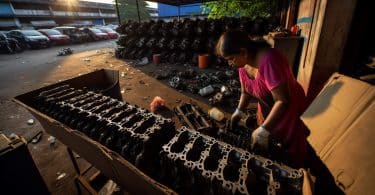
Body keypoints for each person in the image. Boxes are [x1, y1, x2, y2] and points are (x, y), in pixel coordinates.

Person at [216, 30, 309, 168]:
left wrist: (264, 129)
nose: (230, 63)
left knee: (290, 151)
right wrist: (239, 112)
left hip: (289, 111)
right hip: (268, 106)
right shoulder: (243, 65)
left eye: (231, 59)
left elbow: (283, 100)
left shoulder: (270, 60)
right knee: (267, 142)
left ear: (243, 52)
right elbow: (246, 92)